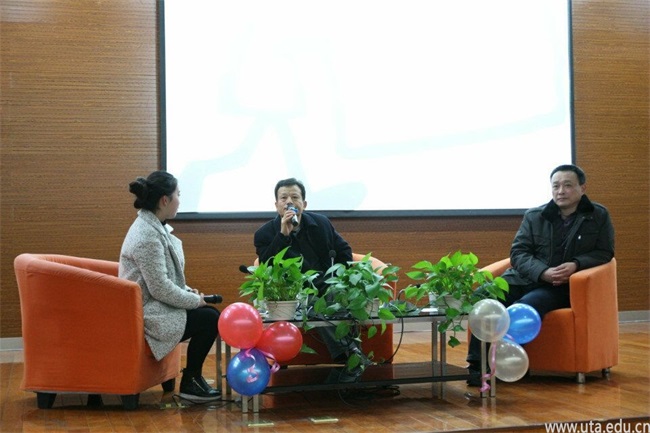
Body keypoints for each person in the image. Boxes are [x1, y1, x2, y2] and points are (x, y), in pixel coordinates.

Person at [466, 164, 615, 386]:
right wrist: (542, 272)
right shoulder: (535, 216)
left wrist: (576, 264)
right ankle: (477, 367)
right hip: (525, 278)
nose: (561, 191)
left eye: (567, 185)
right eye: (556, 186)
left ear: (582, 188)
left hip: (560, 286)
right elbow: (518, 253)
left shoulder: (598, 215)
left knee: (526, 305)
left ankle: (506, 363)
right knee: (484, 298)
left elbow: (604, 252)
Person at [119, 170, 221, 402]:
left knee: (207, 314)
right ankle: (191, 381)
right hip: (147, 313)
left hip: (154, 305)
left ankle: (192, 379)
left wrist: (188, 292)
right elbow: (160, 288)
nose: (180, 200)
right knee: (209, 318)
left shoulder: (153, 226)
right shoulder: (147, 235)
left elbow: (164, 278)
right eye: (178, 195)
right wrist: (194, 300)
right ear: (165, 200)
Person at [254, 177, 369, 381]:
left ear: (304, 204)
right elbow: (267, 267)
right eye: (284, 198)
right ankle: (352, 355)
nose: (289, 202)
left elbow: (344, 251)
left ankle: (349, 358)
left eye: (295, 197)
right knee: (318, 304)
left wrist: (338, 278)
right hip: (293, 295)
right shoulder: (264, 234)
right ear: (276, 204)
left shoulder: (321, 223)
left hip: (328, 285)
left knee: (332, 297)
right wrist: (283, 235)